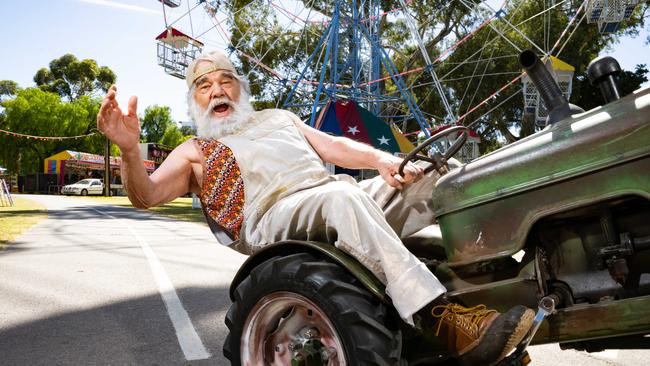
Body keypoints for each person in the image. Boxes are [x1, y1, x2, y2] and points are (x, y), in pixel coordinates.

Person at [97, 50, 534, 365]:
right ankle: (441, 318)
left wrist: (383, 160)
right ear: (194, 101)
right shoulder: (196, 149)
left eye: (225, 80)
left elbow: (335, 146)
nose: (216, 90)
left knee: (439, 174)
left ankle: (501, 277)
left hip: (333, 194)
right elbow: (147, 195)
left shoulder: (278, 118)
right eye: (203, 86)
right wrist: (130, 152)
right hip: (273, 218)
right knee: (341, 197)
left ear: (241, 87)